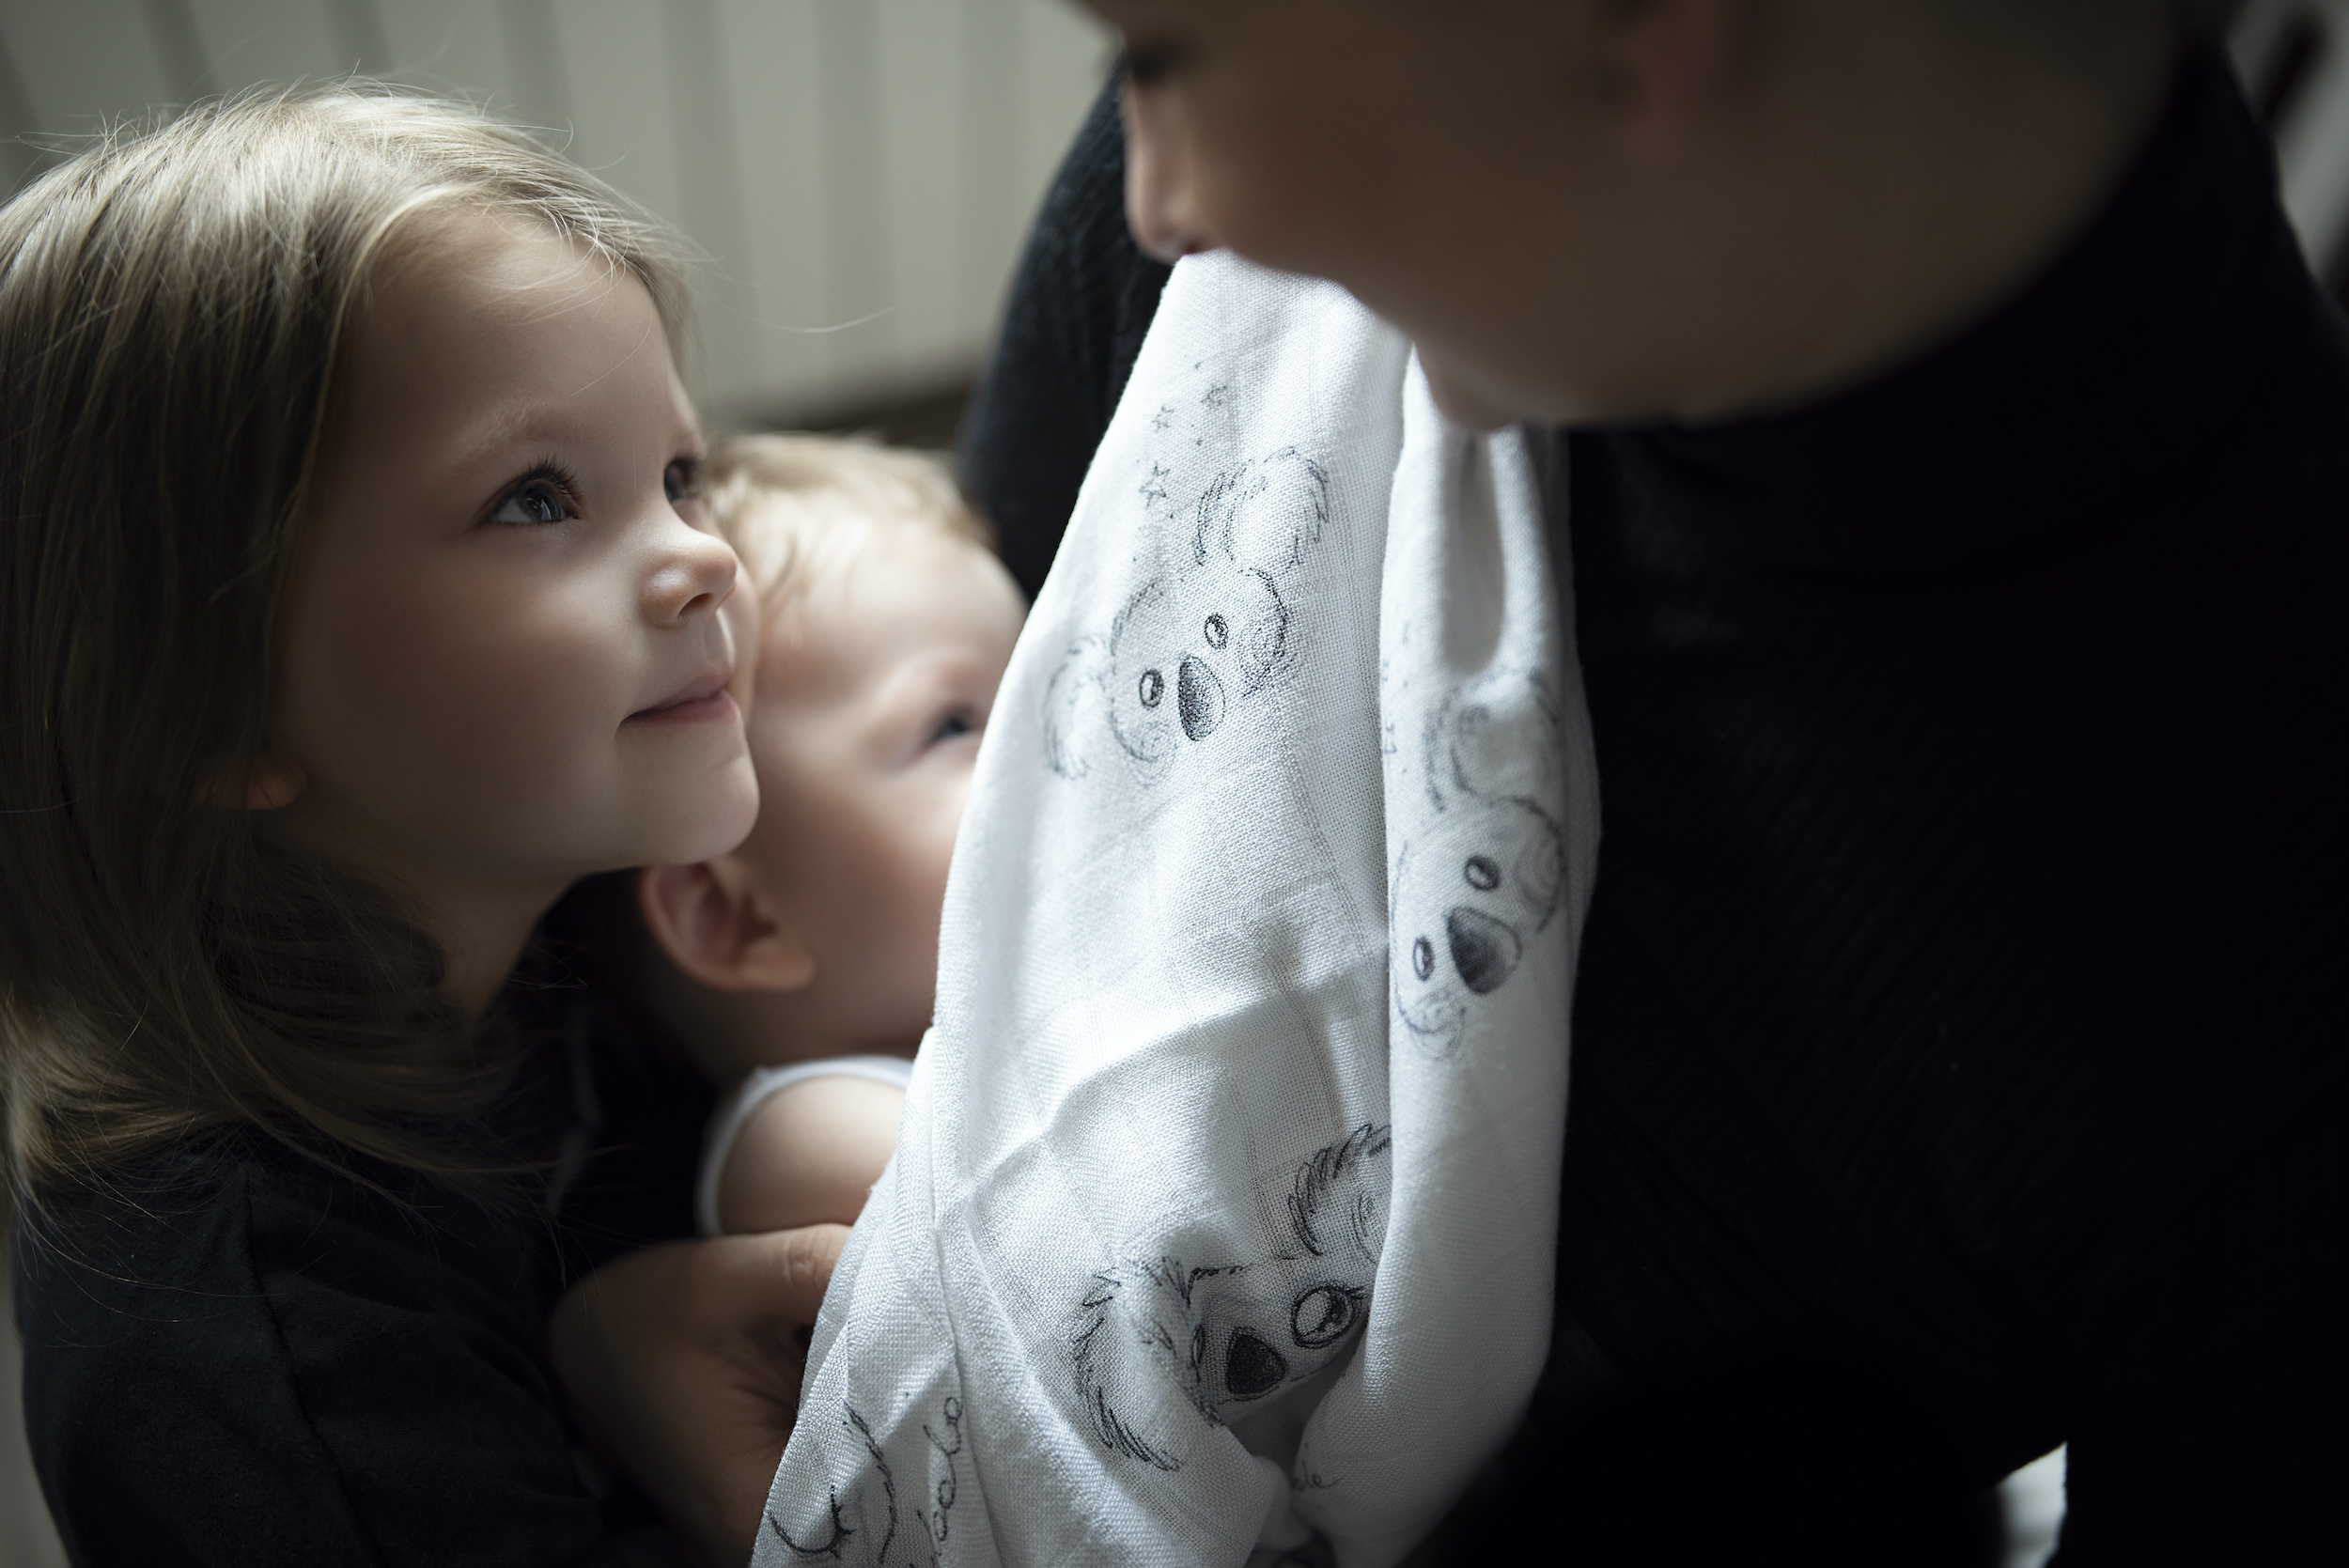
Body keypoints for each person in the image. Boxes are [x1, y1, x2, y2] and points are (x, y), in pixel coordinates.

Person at [564, 2, 2343, 1563]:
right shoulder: (1262, 301)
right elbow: (767, 920)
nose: (1155, 197)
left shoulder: (2240, 981)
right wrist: (607, 1319)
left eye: (1165, 55)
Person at [0, 86, 807, 1565]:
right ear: (210, 712)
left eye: (679, 475)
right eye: (537, 497)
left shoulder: (546, 876)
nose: (702, 554)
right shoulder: (262, 1364)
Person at [630, 434, 1025, 1239]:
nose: (1045, 749)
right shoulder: (807, 1128)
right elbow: (1078, 1228)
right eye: (954, 723)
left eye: (1036, 691)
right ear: (738, 918)